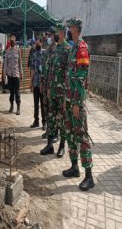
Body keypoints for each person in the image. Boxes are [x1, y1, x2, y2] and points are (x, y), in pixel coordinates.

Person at [63, 18, 94, 191]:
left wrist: (76, 103)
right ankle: (75, 168)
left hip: (76, 102)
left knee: (82, 137)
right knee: (70, 134)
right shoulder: (73, 48)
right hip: (68, 100)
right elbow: (69, 76)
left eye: (70, 27)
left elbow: (81, 79)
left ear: (75, 29)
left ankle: (89, 176)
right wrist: (66, 101)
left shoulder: (82, 48)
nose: (68, 30)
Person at [40, 24, 71, 158]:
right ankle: (49, 146)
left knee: (62, 121)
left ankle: (62, 146)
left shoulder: (68, 50)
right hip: (51, 92)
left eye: (57, 33)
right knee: (51, 119)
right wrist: (47, 87)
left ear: (62, 34)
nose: (54, 36)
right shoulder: (55, 49)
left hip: (61, 94)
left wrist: (66, 96)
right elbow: (50, 70)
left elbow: (69, 75)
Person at [40, 28, 57, 139]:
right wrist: (42, 83)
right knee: (46, 109)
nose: (48, 38)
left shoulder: (57, 51)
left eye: (50, 35)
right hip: (46, 86)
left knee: (54, 111)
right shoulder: (46, 51)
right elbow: (43, 69)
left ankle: (55, 133)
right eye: (47, 36)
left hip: (54, 87)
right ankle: (49, 131)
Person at [4, 35, 23, 115]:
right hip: (10, 74)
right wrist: (4, 74)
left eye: (13, 41)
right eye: (11, 41)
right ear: (10, 42)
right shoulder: (7, 51)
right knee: (11, 92)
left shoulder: (18, 50)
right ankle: (11, 106)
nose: (12, 42)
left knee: (17, 92)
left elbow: (20, 62)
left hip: (16, 74)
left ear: (15, 42)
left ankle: (18, 108)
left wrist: (21, 73)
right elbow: (5, 64)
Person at [30, 38, 46, 128]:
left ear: (42, 43)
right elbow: (32, 69)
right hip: (36, 83)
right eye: (36, 41)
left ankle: (44, 122)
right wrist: (31, 82)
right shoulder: (34, 55)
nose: (37, 43)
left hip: (43, 84)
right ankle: (36, 121)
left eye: (39, 41)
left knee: (43, 104)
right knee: (36, 103)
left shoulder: (45, 54)